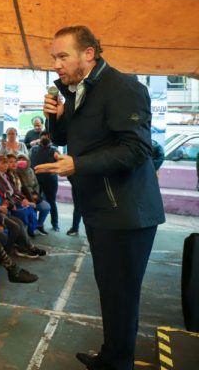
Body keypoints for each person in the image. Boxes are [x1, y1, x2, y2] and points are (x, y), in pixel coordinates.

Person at [37, 25, 165, 370]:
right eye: (54, 58)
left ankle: (117, 364)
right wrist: (56, 115)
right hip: (102, 208)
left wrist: (79, 164)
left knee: (121, 296)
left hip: (124, 212)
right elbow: (67, 137)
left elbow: (138, 148)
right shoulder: (80, 91)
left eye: (63, 56)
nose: (57, 65)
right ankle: (111, 357)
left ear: (89, 53)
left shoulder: (123, 88)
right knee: (111, 293)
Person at [30, 130, 60, 232]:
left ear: (50, 138)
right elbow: (29, 163)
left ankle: (55, 224)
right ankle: (35, 224)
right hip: (36, 181)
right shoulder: (33, 149)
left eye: (47, 135)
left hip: (51, 181)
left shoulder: (54, 150)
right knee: (34, 201)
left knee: (51, 201)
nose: (45, 137)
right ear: (40, 137)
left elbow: (59, 164)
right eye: (43, 135)